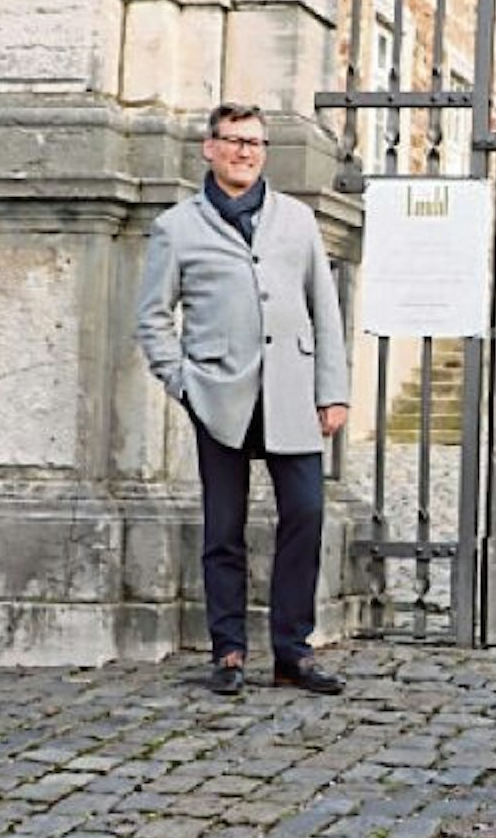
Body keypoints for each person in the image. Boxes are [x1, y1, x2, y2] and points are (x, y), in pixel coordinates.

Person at [136, 102, 350, 697]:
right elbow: (153, 318)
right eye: (232, 140)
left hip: (293, 391)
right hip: (218, 394)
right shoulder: (177, 227)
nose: (244, 152)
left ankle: (292, 652)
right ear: (209, 148)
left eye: (254, 142)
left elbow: (325, 310)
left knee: (306, 513)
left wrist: (332, 390)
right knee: (223, 528)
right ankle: (228, 649)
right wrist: (181, 381)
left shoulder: (297, 221)